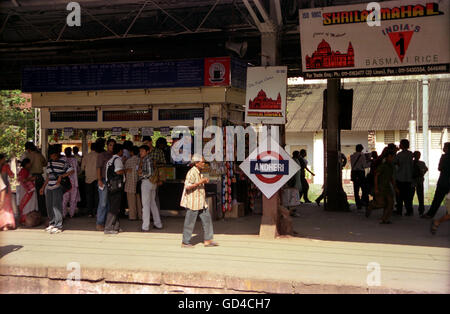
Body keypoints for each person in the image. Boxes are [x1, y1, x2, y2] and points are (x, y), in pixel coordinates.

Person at [180, 154, 218, 248]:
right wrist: (200, 182)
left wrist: (203, 181)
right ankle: (185, 242)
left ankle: (208, 240)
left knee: (207, 220)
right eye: (202, 162)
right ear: (197, 163)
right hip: (193, 202)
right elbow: (187, 186)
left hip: (200, 201)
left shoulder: (198, 172)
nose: (204, 163)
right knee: (190, 222)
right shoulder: (192, 172)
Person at [40, 145, 74, 234]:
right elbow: (48, 176)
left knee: (57, 206)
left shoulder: (63, 162)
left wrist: (61, 176)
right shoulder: (49, 163)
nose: (53, 157)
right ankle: (52, 223)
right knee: (49, 206)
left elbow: (71, 170)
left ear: (57, 154)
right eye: (51, 155)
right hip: (49, 187)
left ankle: (58, 225)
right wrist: (43, 187)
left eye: (54, 155)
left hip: (57, 187)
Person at [366, 151, 399, 224]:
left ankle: (385, 219)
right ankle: (371, 205)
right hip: (380, 187)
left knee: (390, 203)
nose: (392, 158)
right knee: (381, 203)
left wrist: (395, 187)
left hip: (388, 187)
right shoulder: (383, 165)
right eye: (391, 157)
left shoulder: (391, 166)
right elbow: (376, 176)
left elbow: (391, 178)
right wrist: (376, 187)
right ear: (387, 157)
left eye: (393, 157)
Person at [138, 145, 163, 231]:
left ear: (147, 151)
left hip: (146, 182)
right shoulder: (150, 159)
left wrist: (141, 174)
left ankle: (145, 226)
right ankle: (158, 224)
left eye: (142, 151)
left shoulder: (147, 159)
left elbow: (148, 173)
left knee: (145, 205)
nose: (140, 152)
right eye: (140, 151)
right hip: (153, 183)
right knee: (153, 203)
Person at [423, 142, 450, 219]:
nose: (443, 148)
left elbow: (440, 168)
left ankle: (430, 214)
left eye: (444, 147)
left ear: (447, 148)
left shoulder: (444, 157)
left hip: (443, 181)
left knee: (437, 199)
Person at [104, 143, 125, 234]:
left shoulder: (111, 160)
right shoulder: (117, 160)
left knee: (115, 207)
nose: (123, 152)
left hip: (111, 185)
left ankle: (116, 226)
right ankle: (108, 228)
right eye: (122, 150)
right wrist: (126, 170)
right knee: (113, 208)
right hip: (116, 186)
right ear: (120, 151)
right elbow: (118, 171)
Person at [96, 138, 116, 231]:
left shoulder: (115, 156)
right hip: (103, 180)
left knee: (109, 203)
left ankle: (107, 222)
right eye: (110, 145)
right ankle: (99, 222)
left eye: (113, 145)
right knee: (103, 202)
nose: (112, 147)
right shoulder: (102, 155)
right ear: (107, 146)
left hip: (112, 181)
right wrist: (99, 180)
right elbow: (99, 168)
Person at [393, 139, 414, 216]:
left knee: (399, 196)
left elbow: (394, 163)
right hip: (408, 178)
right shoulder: (411, 154)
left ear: (402, 145)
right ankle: (409, 211)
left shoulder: (399, 155)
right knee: (408, 196)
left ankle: (399, 210)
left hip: (400, 177)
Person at [17, 158, 39, 224]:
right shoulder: (24, 171)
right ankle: (27, 219)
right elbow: (24, 180)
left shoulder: (22, 170)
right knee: (28, 205)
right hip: (28, 191)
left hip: (26, 190)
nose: (30, 164)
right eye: (29, 163)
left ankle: (26, 219)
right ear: (26, 164)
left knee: (27, 205)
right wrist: (32, 178)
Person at [61, 147, 81, 218]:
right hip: (74, 182)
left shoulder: (62, 160)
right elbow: (78, 170)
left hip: (64, 182)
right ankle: (71, 214)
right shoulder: (74, 160)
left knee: (64, 199)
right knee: (73, 200)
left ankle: (64, 214)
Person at [81, 142, 99, 218]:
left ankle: (89, 212)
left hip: (88, 179)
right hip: (97, 178)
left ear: (90, 148)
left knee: (89, 196)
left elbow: (82, 168)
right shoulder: (99, 156)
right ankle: (97, 212)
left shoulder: (86, 156)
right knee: (97, 196)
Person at [125, 146, 142, 221]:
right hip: (139, 183)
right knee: (139, 202)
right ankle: (141, 216)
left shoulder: (128, 161)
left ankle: (132, 216)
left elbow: (124, 170)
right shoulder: (140, 160)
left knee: (131, 202)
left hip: (130, 184)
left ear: (131, 152)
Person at [350, 144, 369, 209]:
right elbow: (364, 166)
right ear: (361, 149)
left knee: (356, 190)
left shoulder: (352, 156)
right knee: (364, 189)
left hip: (354, 173)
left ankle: (358, 204)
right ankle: (363, 201)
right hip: (360, 173)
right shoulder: (362, 156)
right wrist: (370, 163)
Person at [0, 154, 15, 231]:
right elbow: (12, 175)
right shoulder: (6, 166)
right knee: (7, 207)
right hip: (5, 188)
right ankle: (5, 224)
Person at [412, 151, 428, 216]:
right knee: (418, 195)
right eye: (417, 155)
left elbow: (426, 169)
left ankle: (420, 209)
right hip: (416, 180)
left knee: (419, 196)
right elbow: (426, 169)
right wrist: (422, 173)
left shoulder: (412, 162)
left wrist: (422, 173)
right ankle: (421, 209)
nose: (418, 156)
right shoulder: (420, 163)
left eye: (419, 155)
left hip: (416, 180)